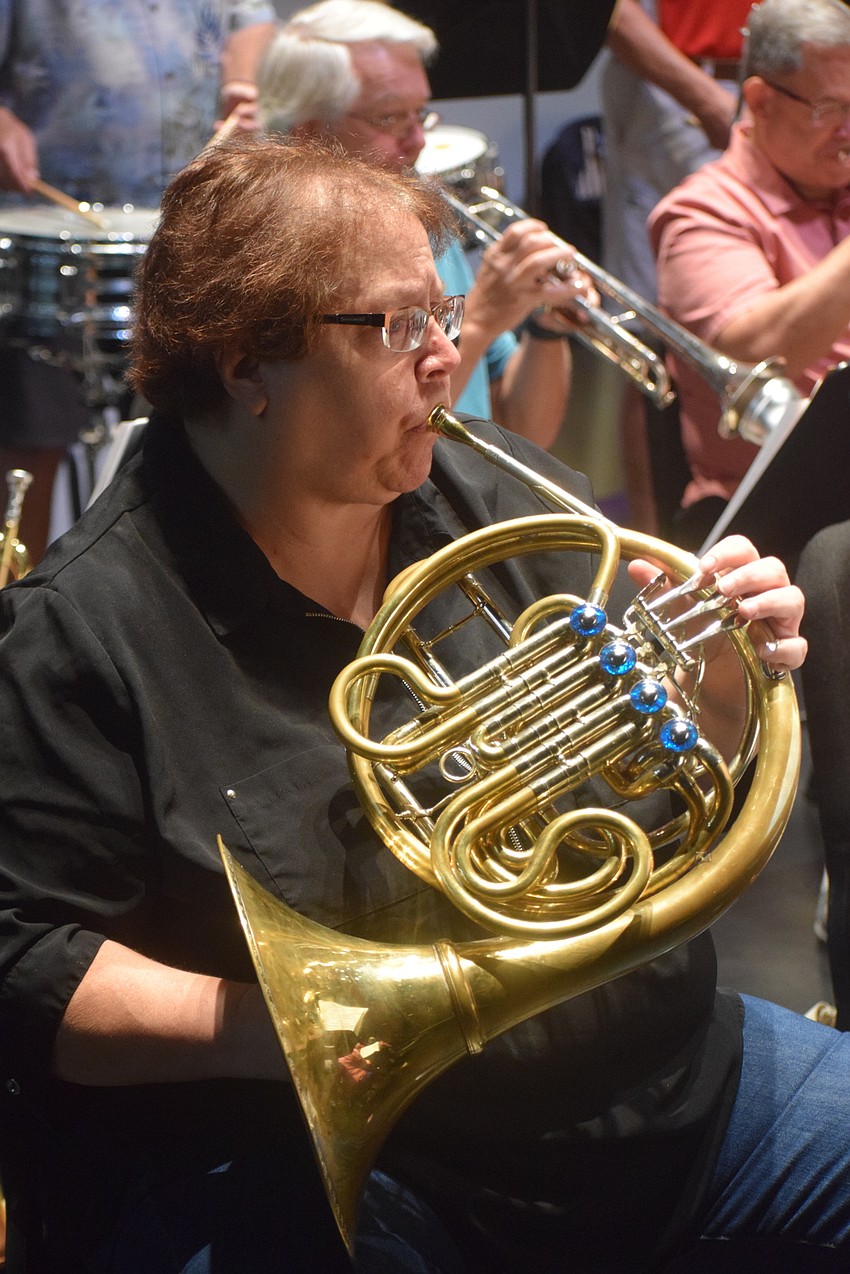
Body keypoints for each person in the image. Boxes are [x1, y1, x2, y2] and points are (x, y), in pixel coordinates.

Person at [0, 130, 845, 1274]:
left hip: (655, 1084)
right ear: (249, 363)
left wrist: (720, 703)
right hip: (373, 1158)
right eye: (400, 326)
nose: (447, 357)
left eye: (446, 315)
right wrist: (321, 1030)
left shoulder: (501, 491)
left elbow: (643, 808)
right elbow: (30, 960)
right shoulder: (86, 624)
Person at [0, 0, 276, 565]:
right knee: (32, 443)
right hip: (51, 229)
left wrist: (240, 80)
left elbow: (250, 16)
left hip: (178, 219)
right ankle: (19, 606)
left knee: (186, 427)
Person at [256, 0, 591, 450]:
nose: (417, 141)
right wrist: (484, 319)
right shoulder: (280, 262)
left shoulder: (419, 213)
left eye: (420, 115)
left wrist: (546, 327)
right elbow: (371, 445)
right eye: (389, 117)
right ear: (308, 131)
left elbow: (519, 431)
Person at [648, 0, 850, 549]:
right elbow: (752, 355)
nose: (848, 130)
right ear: (760, 100)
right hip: (773, 519)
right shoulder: (700, 213)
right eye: (831, 108)